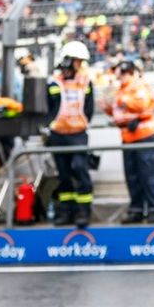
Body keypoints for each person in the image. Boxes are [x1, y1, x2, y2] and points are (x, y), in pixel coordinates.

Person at [104, 60, 154, 224]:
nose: (117, 77)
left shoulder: (138, 85)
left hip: (144, 135)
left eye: (120, 73)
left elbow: (141, 104)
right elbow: (117, 111)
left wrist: (122, 101)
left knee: (147, 175)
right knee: (132, 176)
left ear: (127, 72)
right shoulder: (121, 89)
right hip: (128, 136)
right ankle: (136, 210)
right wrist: (108, 107)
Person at [46, 40, 95, 228]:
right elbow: (47, 107)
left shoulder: (85, 81)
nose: (80, 65)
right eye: (78, 61)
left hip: (78, 133)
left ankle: (83, 212)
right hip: (58, 134)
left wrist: (81, 124)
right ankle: (66, 210)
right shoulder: (53, 81)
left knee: (80, 168)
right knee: (63, 174)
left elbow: (89, 107)